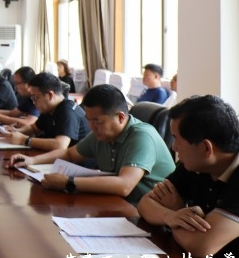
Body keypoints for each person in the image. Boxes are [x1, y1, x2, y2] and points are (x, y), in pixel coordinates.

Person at [137, 95, 239, 258]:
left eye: (177, 139)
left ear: (206, 148)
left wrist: (177, 213)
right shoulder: (197, 164)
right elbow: (145, 203)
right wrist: (171, 216)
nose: (174, 147)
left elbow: (202, 245)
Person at [10, 84, 175, 204]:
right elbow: (69, 154)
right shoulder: (102, 134)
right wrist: (32, 160)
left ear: (120, 117)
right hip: (117, 203)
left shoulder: (142, 136)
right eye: (88, 120)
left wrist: (69, 182)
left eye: (97, 121)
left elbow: (124, 185)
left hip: (150, 213)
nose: (92, 126)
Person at [2, 72, 90, 152]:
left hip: (74, 163)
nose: (33, 102)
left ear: (50, 95)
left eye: (35, 98)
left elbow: (60, 145)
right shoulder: (49, 108)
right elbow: (34, 128)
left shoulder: (67, 111)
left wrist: (24, 140)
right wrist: (17, 131)